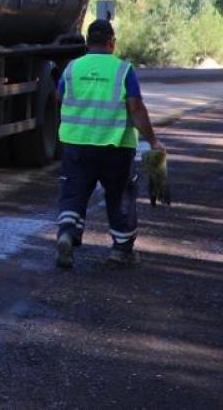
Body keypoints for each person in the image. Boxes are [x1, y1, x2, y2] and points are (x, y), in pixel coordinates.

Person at [54, 19, 163, 269]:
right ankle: (121, 250)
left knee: (74, 193)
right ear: (111, 43)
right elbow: (135, 108)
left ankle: (67, 235)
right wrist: (153, 140)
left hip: (77, 145)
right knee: (120, 196)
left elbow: (59, 96)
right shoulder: (123, 70)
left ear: (88, 43)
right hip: (116, 148)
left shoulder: (72, 68)